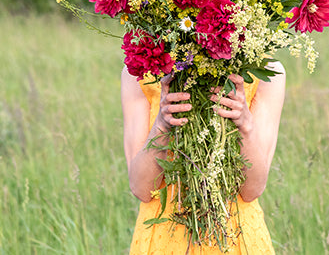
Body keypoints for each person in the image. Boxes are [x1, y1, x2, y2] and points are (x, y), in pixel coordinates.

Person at [121, 61, 286, 254]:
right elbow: (141, 188)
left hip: (235, 238)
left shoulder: (268, 72)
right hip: (164, 237)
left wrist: (245, 126)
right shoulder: (140, 67)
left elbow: (253, 190)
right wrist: (162, 126)